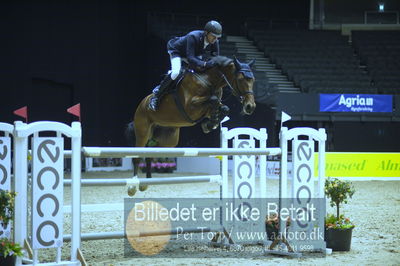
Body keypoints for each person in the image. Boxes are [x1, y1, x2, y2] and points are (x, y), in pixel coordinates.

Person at [148, 20, 223, 111]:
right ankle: (157, 94)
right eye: (213, 36)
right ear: (206, 33)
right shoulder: (193, 36)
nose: (215, 39)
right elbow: (190, 58)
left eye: (217, 37)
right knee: (176, 72)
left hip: (194, 53)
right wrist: (205, 63)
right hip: (177, 50)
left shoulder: (215, 42)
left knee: (202, 71)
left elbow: (215, 58)